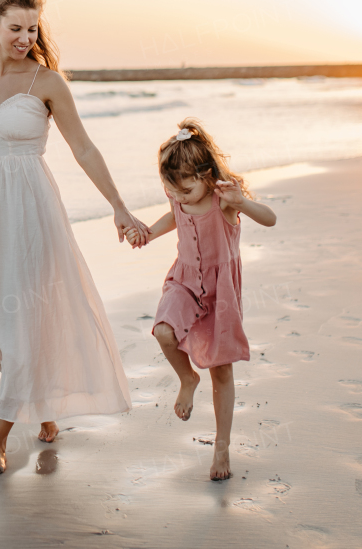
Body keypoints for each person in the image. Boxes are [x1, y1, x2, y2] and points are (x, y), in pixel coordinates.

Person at [0, 0, 149, 477]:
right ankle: (42, 402)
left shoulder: (47, 84)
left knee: (24, 320)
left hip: (31, 214)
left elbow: (83, 148)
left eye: (31, 28)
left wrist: (120, 208)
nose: (24, 37)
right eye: (15, 27)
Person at [138, 118, 277, 480]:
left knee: (222, 371)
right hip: (184, 281)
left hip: (221, 293)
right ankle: (187, 379)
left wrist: (242, 201)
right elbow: (174, 215)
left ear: (205, 175)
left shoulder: (224, 202)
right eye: (173, 190)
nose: (179, 197)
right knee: (163, 332)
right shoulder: (178, 194)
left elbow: (271, 219)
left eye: (185, 189)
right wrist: (148, 235)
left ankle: (222, 447)